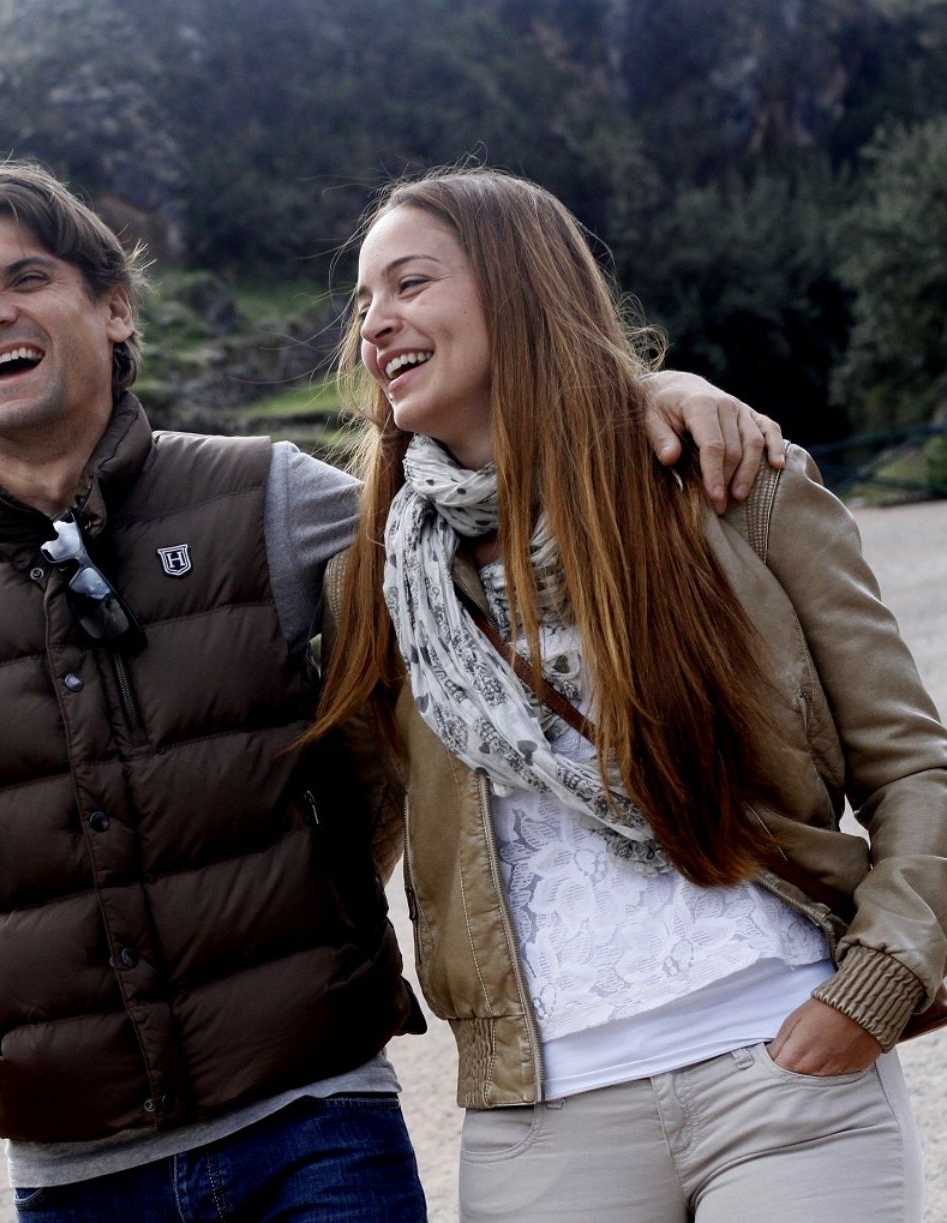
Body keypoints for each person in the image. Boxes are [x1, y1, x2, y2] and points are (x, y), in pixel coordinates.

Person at [0, 159, 782, 1223]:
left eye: (26, 276)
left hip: (318, 1132)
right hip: (79, 1178)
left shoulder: (263, 499)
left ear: (115, 307)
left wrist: (641, 394)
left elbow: (476, 487)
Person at [313, 166, 945, 1221]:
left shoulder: (733, 486)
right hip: (541, 1121)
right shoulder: (375, 578)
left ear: (518, 287)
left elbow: (912, 763)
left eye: (411, 283)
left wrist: (877, 982)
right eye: (365, 302)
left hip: (785, 1069)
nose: (378, 323)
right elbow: (345, 837)